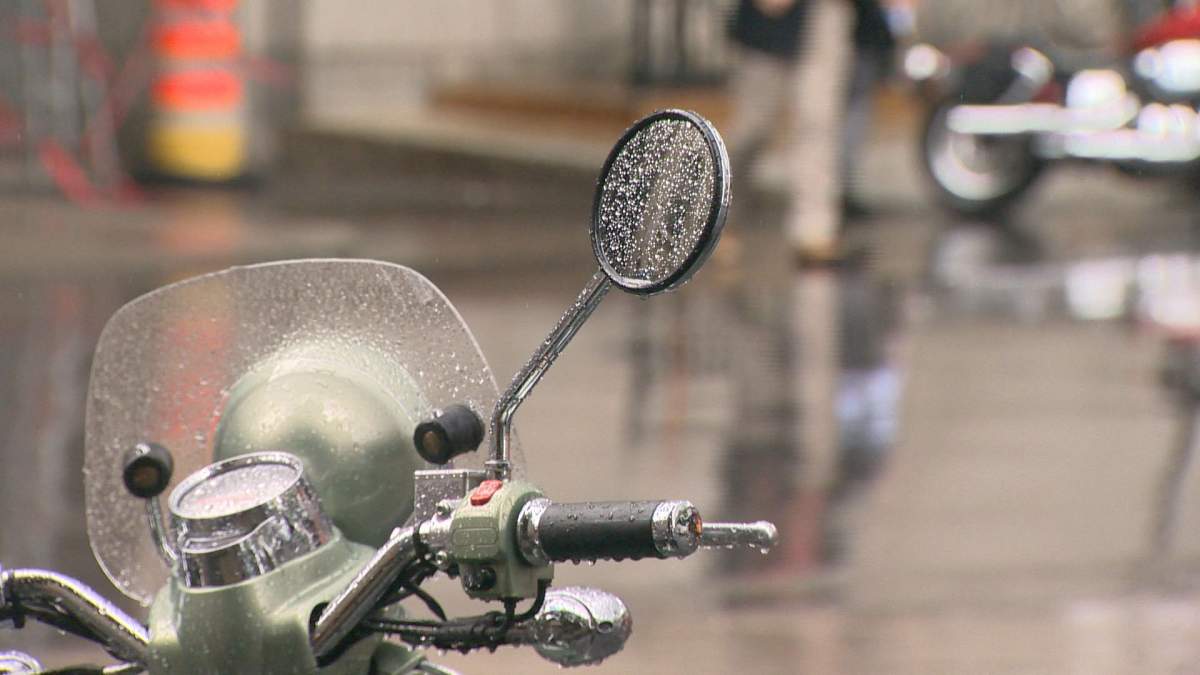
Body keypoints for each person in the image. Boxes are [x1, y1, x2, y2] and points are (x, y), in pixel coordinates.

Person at [841, 0, 896, 219]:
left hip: (864, 33)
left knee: (855, 115)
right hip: (850, 33)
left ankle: (843, 189)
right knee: (845, 117)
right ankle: (841, 190)